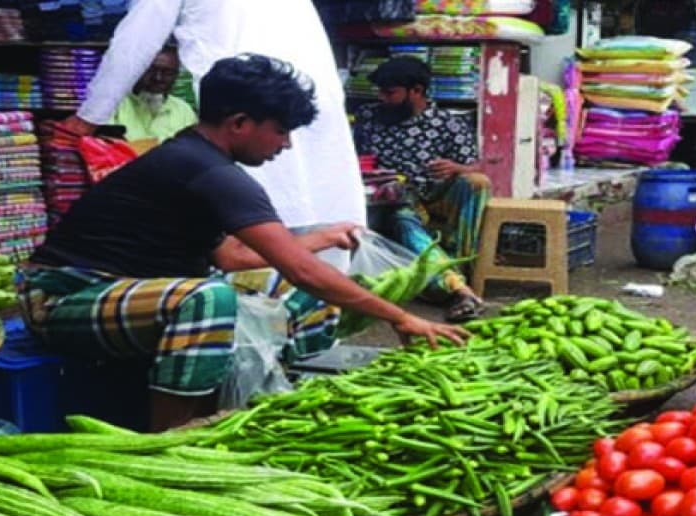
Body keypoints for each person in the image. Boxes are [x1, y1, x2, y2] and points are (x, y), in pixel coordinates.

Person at [24, 54, 465, 432]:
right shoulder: (210, 172)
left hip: (130, 293)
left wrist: (319, 237)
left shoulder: (198, 161)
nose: (286, 144)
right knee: (207, 299)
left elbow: (233, 256)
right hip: (65, 297)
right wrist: (401, 318)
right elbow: (303, 269)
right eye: (281, 131)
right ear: (239, 123)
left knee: (296, 296)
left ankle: (269, 400)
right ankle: (171, 444)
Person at [57, 0, 365, 246]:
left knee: (256, 219)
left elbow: (136, 41)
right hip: (306, 96)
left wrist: (88, 117)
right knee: (319, 211)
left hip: (253, 101)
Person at [354, 56, 487, 322]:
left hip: (437, 195)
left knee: (476, 183)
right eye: (380, 91)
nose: (382, 98)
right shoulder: (369, 117)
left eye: (390, 92)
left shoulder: (448, 124)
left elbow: (477, 165)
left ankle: (460, 267)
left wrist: (458, 168)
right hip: (392, 199)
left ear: (416, 91)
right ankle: (459, 289)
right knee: (403, 218)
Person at [109, 47, 196, 144]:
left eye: (167, 73)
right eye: (151, 70)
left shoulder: (184, 111)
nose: (158, 78)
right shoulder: (114, 105)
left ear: (176, 76)